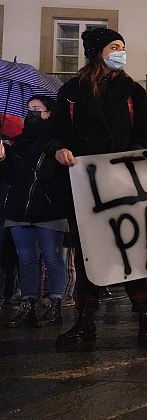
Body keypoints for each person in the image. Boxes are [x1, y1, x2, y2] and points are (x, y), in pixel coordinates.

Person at [50, 27, 147, 344]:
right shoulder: (71, 91)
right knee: (88, 253)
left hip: (121, 185)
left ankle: (145, 318)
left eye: (122, 47)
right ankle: (86, 321)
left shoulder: (132, 91)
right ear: (98, 51)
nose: (120, 52)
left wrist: (126, 159)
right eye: (114, 47)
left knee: (131, 250)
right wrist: (60, 149)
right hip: (83, 187)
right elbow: (56, 133)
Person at [0, 96, 69, 327]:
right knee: (26, 259)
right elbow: (10, 175)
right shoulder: (20, 142)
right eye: (29, 109)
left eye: (37, 109)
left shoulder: (58, 142)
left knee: (52, 257)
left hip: (49, 210)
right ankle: (28, 305)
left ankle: (55, 305)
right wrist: (2, 157)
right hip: (19, 209)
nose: (32, 113)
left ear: (49, 113)